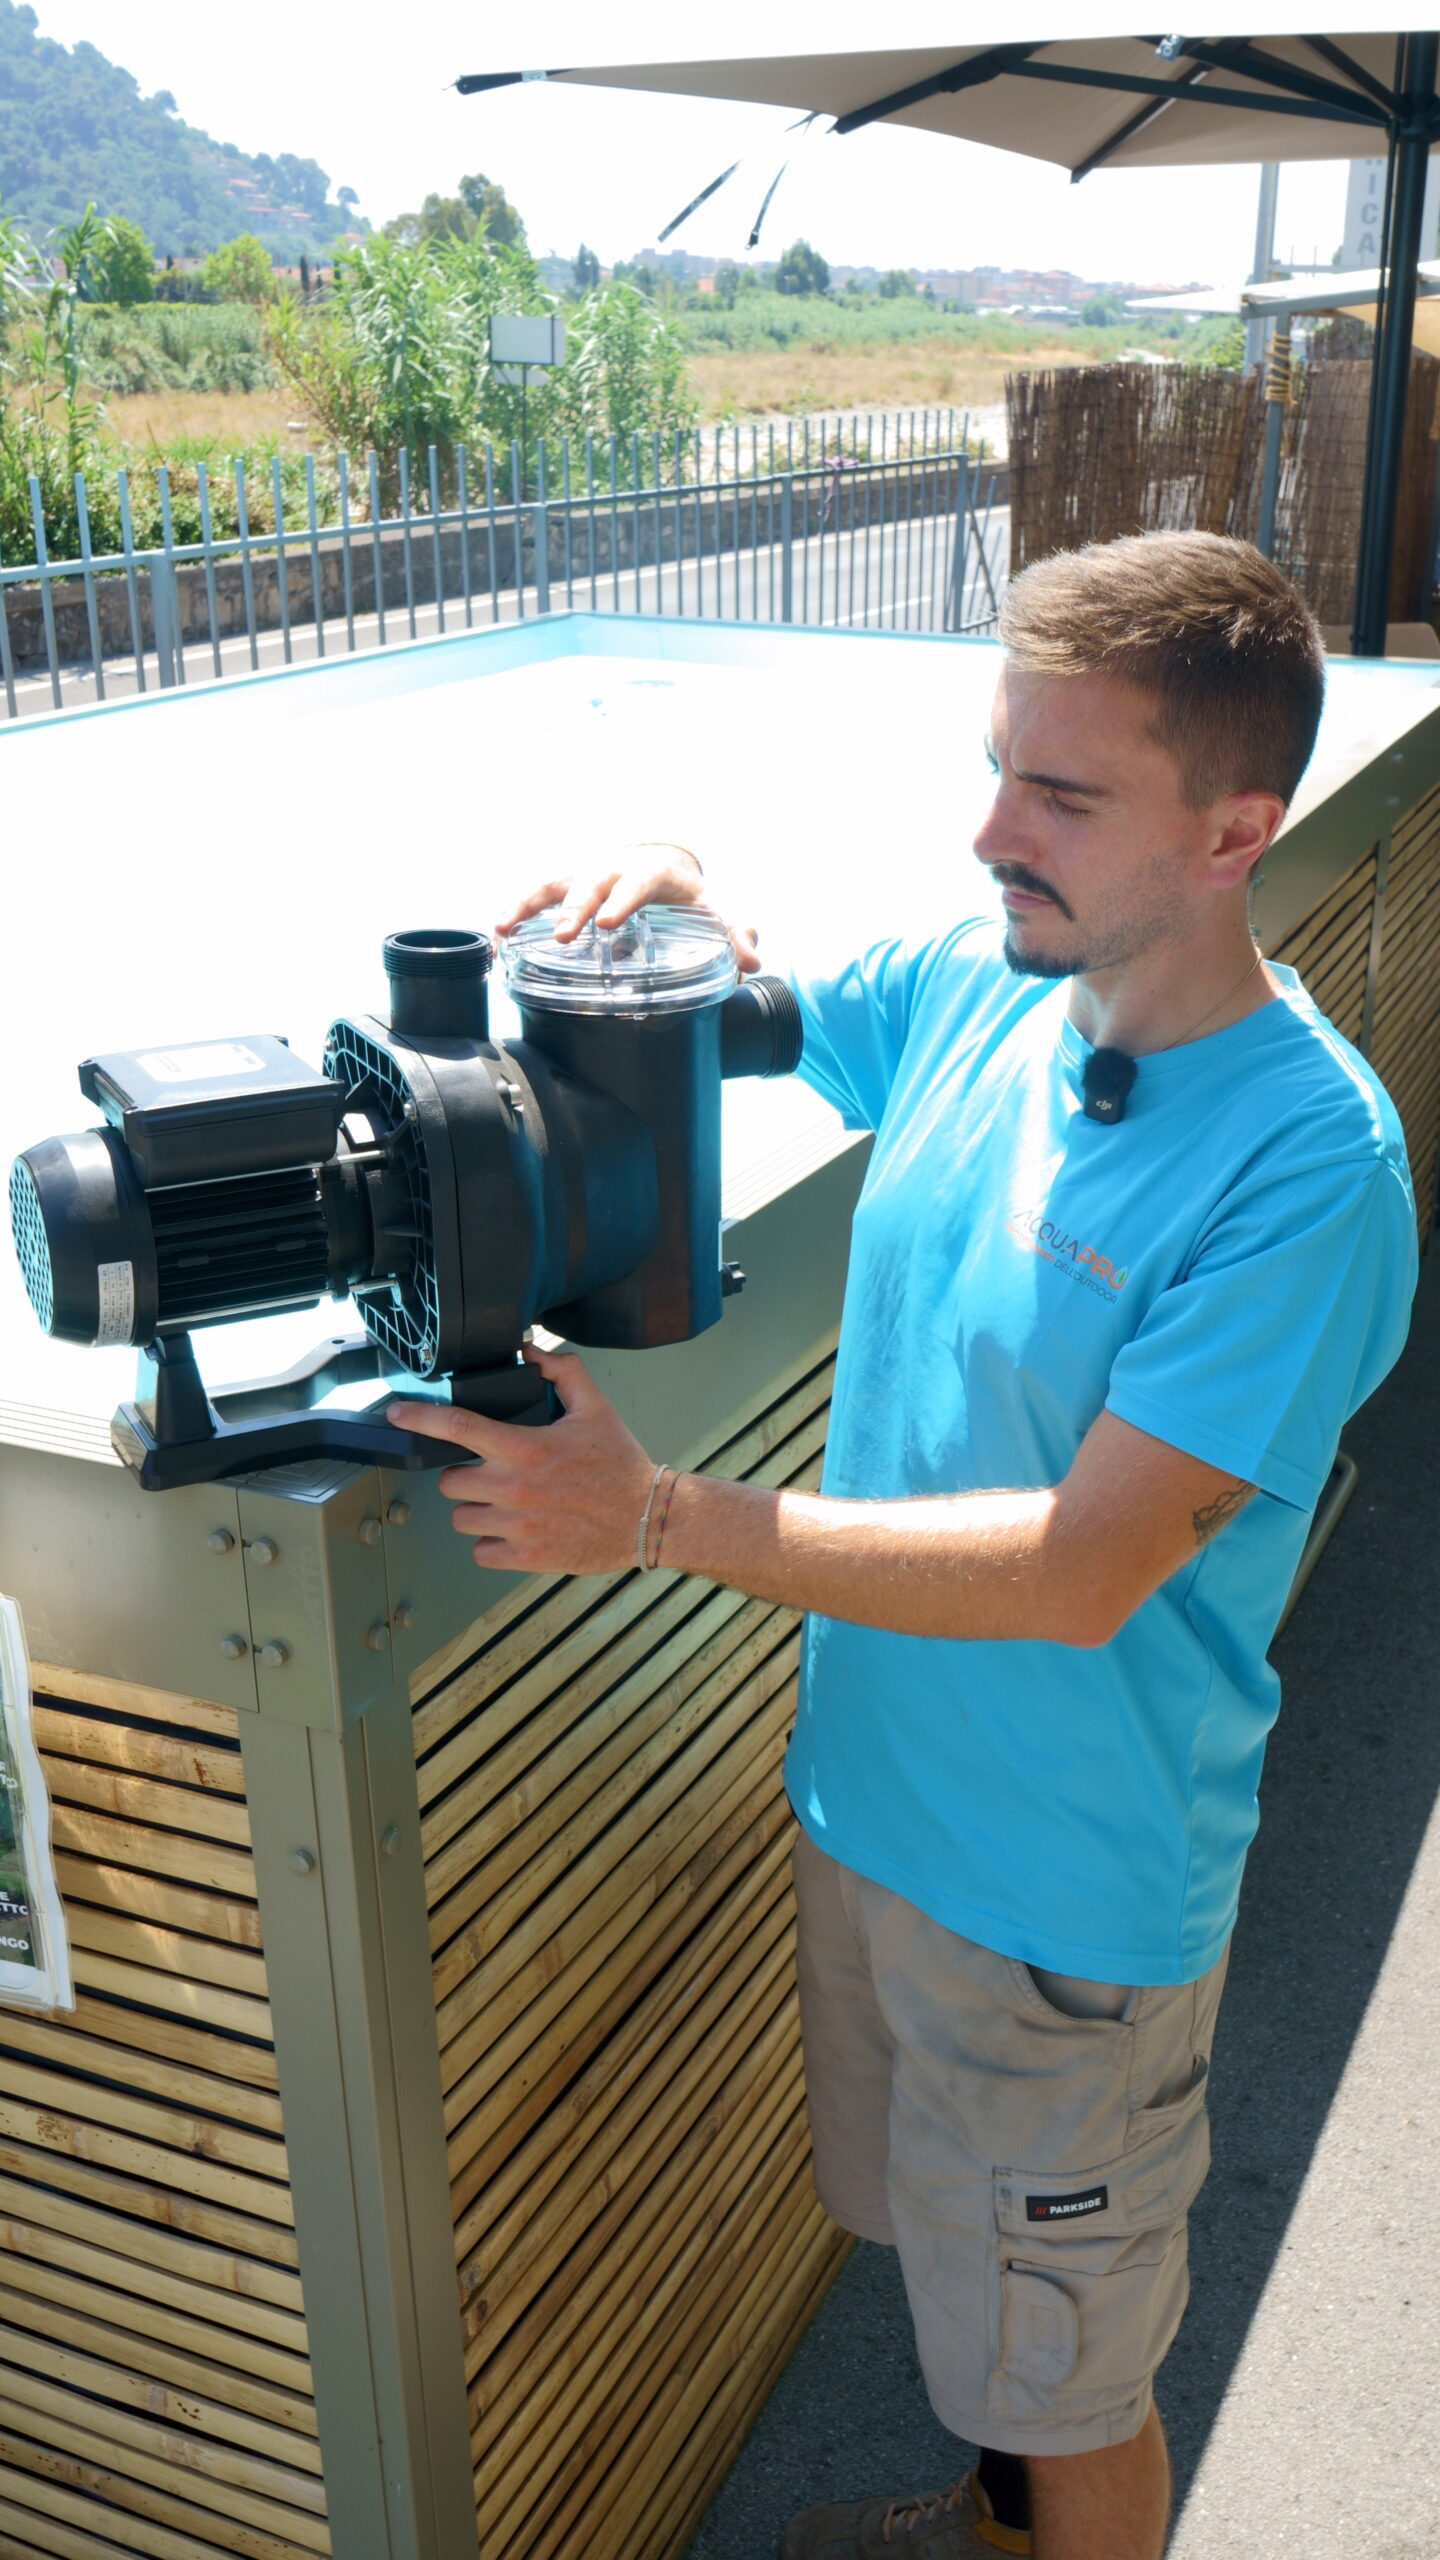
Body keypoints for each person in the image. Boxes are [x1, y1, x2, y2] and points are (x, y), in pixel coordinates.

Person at [390, 532, 1418, 2560]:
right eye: (995, 764)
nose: (985, 831)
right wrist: (672, 890)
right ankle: (989, 2511)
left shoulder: (1309, 1160)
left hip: (1063, 1902)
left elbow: (1075, 1566)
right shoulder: (987, 987)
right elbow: (745, 1009)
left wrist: (659, 1514)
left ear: (1236, 831)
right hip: (873, 1814)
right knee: (974, 2309)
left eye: (1060, 795)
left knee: (1078, 2370)